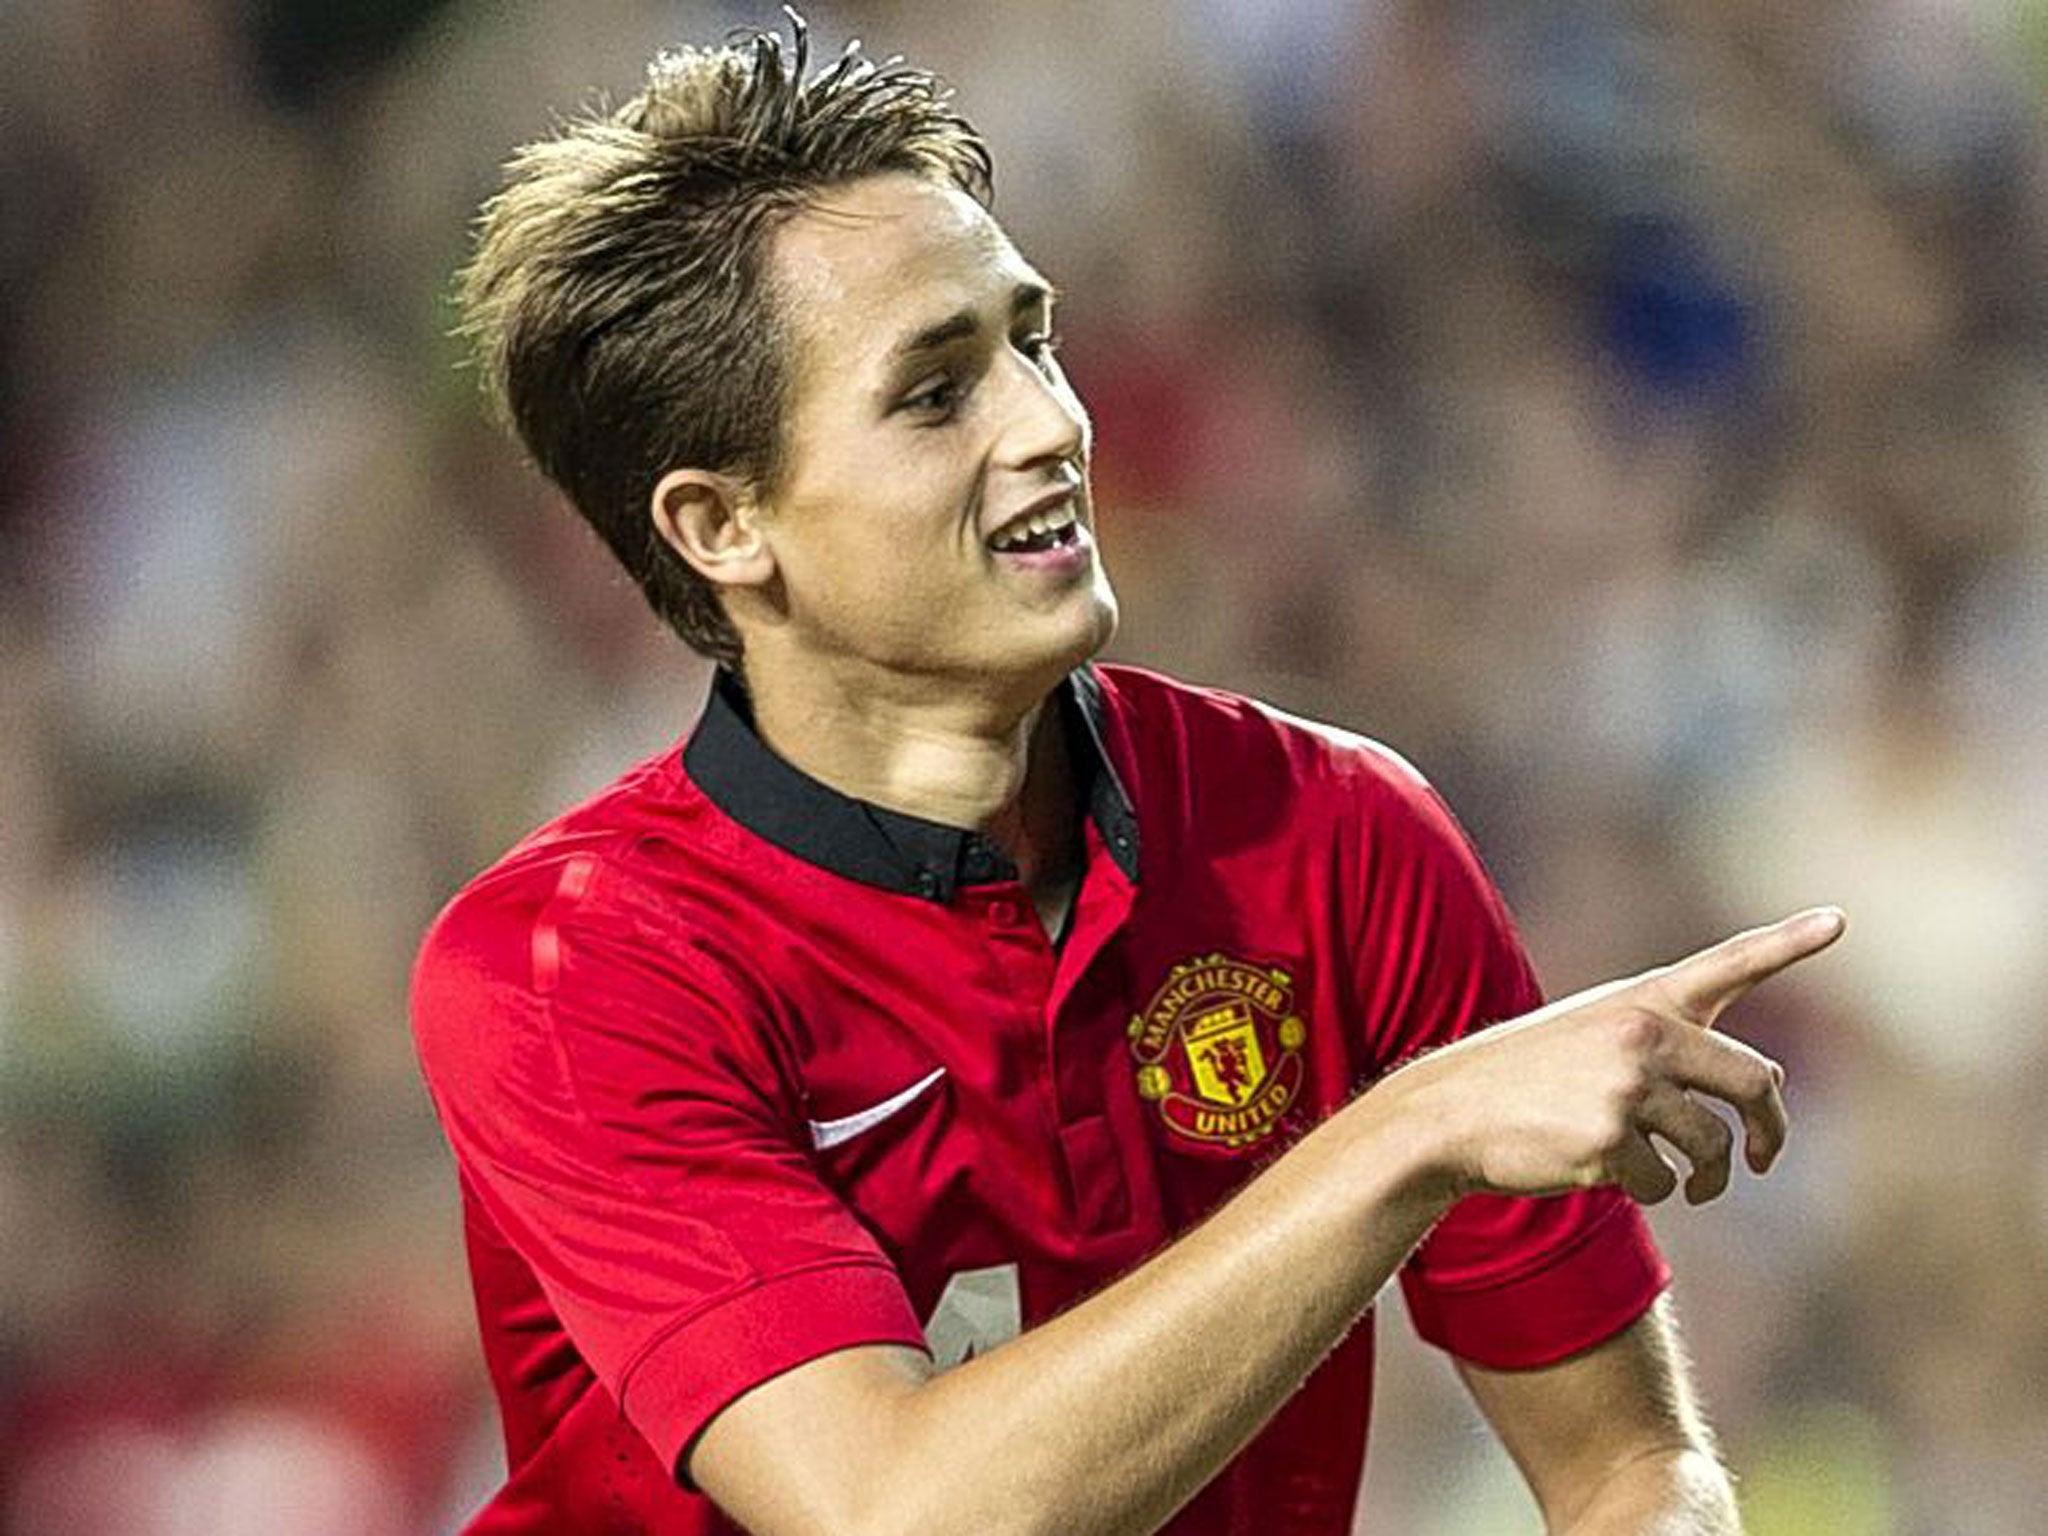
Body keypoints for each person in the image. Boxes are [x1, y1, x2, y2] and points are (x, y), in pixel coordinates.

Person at [411, 18, 1844, 1535]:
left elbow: (1632, 1466)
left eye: (1031, 338)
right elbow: (901, 1514)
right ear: (721, 525)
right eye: (934, 392)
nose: (1053, 422)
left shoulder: (1331, 835)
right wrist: (1407, 1133)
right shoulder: (573, 971)